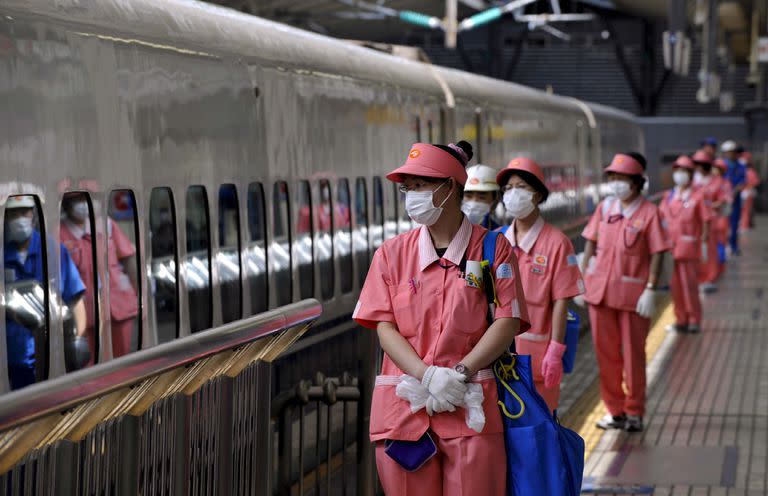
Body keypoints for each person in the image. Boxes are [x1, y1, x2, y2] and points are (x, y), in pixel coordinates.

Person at [353, 141, 529, 495]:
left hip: (470, 404)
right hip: (404, 410)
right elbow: (384, 326)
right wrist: (428, 374)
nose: (412, 195)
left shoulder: (492, 248)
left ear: (450, 187)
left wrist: (460, 372)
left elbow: (507, 319)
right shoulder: (391, 254)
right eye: (409, 187)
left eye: (422, 185)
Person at [578, 153, 669, 433]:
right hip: (600, 294)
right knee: (606, 356)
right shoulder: (605, 208)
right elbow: (590, 243)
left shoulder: (649, 213)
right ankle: (614, 410)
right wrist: (581, 279)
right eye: (613, 178)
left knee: (634, 356)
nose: (617, 184)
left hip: (632, 297)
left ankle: (635, 411)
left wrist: (651, 287)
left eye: (622, 179)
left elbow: (657, 252)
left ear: (636, 182)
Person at [495, 157, 584, 412]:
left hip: (538, 358)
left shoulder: (557, 243)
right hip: (498, 357)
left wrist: (556, 351)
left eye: (521, 187)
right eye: (508, 188)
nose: (513, 194)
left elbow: (560, 302)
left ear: (537, 194)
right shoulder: (496, 240)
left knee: (540, 431)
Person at [4, 195, 86, 389]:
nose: (19, 218)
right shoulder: (2, 253)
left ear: (33, 214)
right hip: (11, 358)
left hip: (50, 356)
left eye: (23, 212)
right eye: (13, 213)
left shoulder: (53, 250)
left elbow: (75, 299)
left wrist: (77, 341)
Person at [60, 194, 139, 359]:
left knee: (121, 362)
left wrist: (139, 294)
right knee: (88, 365)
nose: (83, 204)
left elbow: (129, 258)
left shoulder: (106, 225)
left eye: (86, 198)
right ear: (66, 205)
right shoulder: (59, 233)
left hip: (118, 307)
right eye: (77, 200)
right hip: (83, 315)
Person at [659, 156, 710, 334]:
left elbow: (705, 221)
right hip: (670, 250)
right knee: (676, 288)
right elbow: (660, 220)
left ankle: (694, 319)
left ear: (690, 174)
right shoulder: (668, 196)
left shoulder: (698, 196)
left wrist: (704, 242)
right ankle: (681, 320)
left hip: (689, 249)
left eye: (684, 171)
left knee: (690, 287)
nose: (680, 175)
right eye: (678, 171)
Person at [692, 150, 726, 293]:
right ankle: (699, 277)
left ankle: (710, 277)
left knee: (710, 250)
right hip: (695, 222)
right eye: (696, 164)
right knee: (698, 251)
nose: (698, 167)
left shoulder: (717, 181)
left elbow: (723, 200)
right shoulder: (693, 181)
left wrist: (711, 206)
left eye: (701, 164)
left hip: (712, 220)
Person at [720, 140, 746, 255]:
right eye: (728, 152)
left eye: (732, 152)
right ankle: (722, 245)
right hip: (723, 200)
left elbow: (742, 181)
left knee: (734, 224)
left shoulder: (741, 166)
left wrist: (734, 193)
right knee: (721, 224)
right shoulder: (721, 165)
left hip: (735, 200)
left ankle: (733, 246)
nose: (730, 154)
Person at [461, 164, 500, 230]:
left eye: (482, 197)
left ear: (494, 200)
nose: (474, 202)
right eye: (468, 196)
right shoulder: (446, 229)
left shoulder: (499, 234)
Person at [712, 158, 733, 276]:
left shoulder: (725, 183)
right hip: (712, 218)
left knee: (720, 242)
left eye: (717, 169)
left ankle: (720, 266)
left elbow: (725, 200)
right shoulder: (712, 182)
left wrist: (711, 205)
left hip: (721, 217)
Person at [738, 151, 760, 231]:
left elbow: (755, 182)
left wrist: (748, 188)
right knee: (743, 210)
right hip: (743, 193)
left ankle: (745, 225)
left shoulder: (750, 171)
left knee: (746, 210)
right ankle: (743, 224)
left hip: (747, 193)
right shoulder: (745, 171)